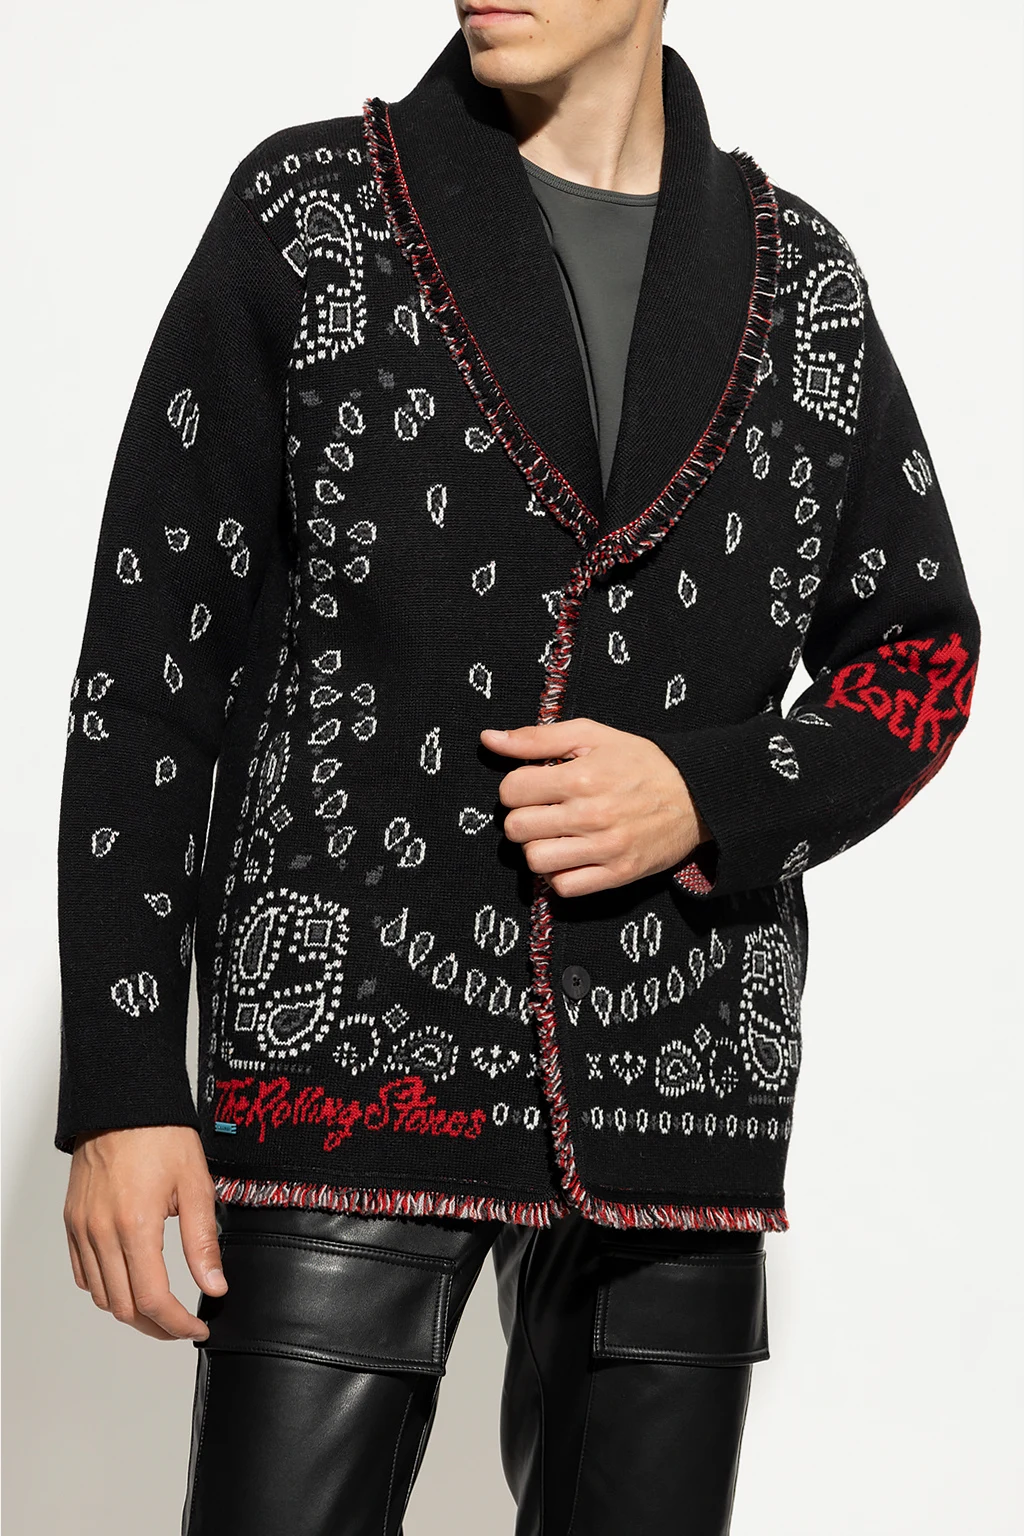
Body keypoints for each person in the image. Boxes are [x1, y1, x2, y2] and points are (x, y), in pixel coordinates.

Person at [55, 2, 980, 1532]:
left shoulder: (803, 283)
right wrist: (123, 1086)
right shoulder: (312, 217)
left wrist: (710, 795)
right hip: (342, 1062)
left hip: (681, 1091)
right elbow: (150, 672)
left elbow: (921, 656)